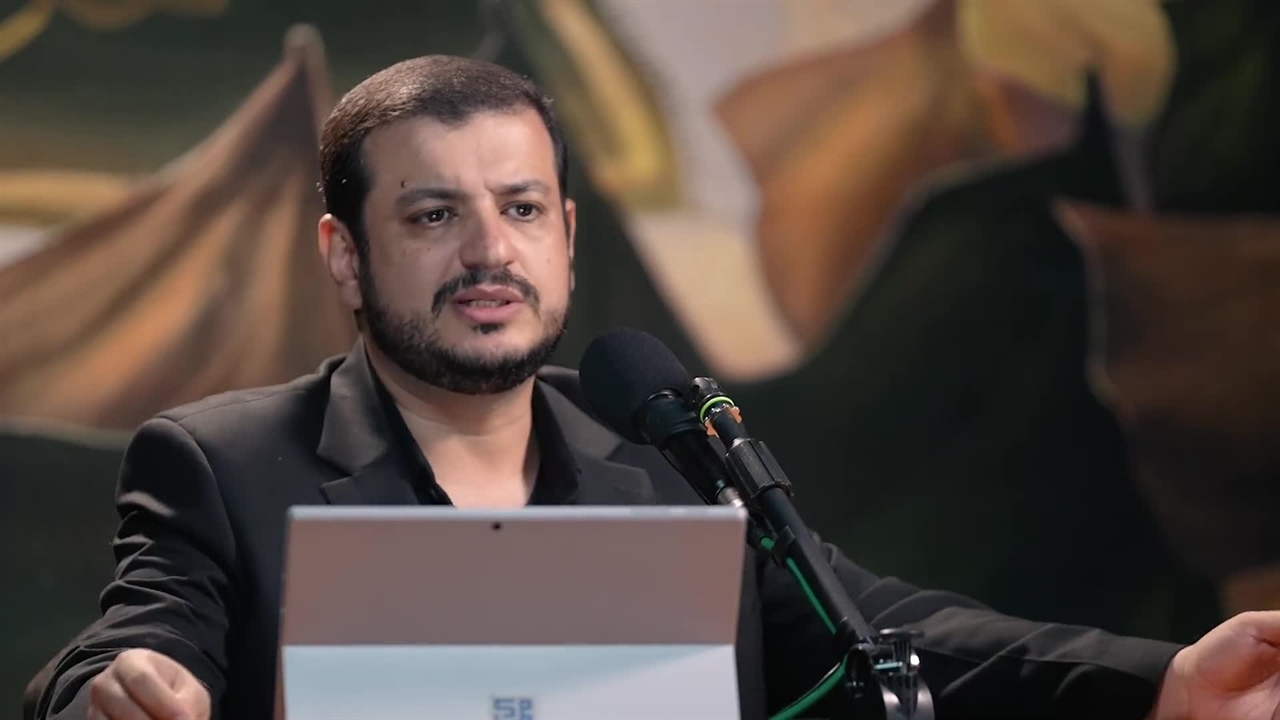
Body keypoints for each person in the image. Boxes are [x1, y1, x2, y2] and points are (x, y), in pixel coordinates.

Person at [23, 55, 1280, 720]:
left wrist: (1159, 680)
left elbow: (879, 629)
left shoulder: (666, 449)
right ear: (344, 256)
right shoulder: (224, 461)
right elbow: (135, 646)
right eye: (433, 215)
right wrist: (115, 692)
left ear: (567, 236)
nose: (490, 251)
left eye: (522, 209)